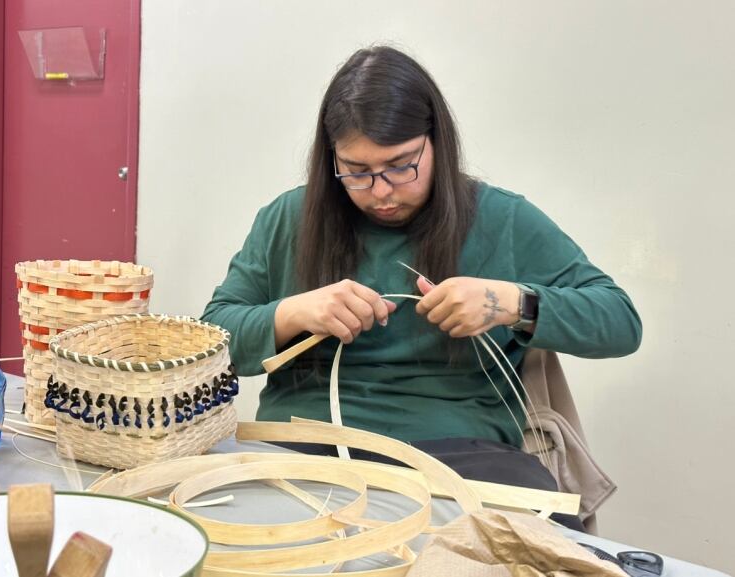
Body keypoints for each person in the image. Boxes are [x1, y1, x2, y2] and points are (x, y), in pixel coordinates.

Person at [202, 45, 641, 530]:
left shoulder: (502, 219)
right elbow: (210, 343)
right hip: (301, 448)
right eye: (357, 171)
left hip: (465, 458)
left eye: (401, 165)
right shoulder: (288, 218)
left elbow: (621, 322)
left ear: (436, 142)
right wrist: (292, 313)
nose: (382, 190)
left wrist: (511, 303)